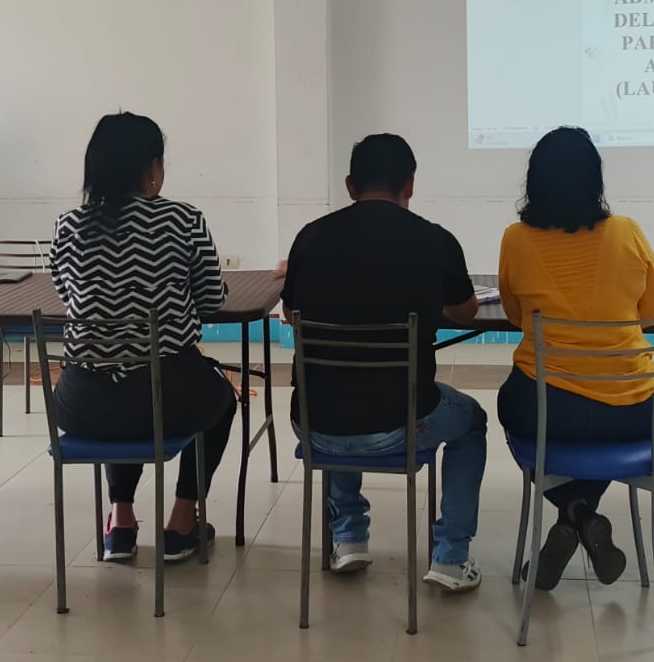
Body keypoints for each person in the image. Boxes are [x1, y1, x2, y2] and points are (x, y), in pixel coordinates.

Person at [282, 133, 487, 593]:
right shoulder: (434, 240)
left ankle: (349, 538)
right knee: (471, 420)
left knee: (340, 387)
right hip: (402, 424)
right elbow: (466, 312)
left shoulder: (309, 237)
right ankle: (451, 558)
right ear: (409, 184)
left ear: (350, 185)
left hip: (314, 424)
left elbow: (291, 313)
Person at [49, 113, 237, 564]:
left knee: (123, 385)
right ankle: (182, 522)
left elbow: (68, 295)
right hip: (165, 396)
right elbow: (211, 299)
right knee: (220, 401)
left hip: (80, 404)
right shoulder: (182, 219)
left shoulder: (68, 225)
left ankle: (121, 522)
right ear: (152, 168)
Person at [495, 126, 654, 590]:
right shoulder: (628, 232)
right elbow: (650, 314)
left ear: (535, 182)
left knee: (510, 408)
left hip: (549, 409)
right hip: (636, 410)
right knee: (601, 433)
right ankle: (582, 515)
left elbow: (515, 315)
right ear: (595, 180)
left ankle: (573, 512)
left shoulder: (516, 239)